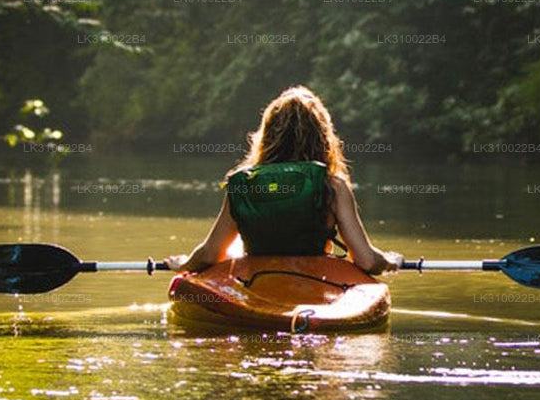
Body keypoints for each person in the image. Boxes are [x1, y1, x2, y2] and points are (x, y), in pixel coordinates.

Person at [166, 86, 403, 275]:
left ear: (267, 135)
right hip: (316, 282)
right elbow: (366, 261)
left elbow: (210, 254)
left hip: (255, 282)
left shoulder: (244, 184)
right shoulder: (332, 186)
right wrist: (390, 260)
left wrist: (185, 264)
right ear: (322, 137)